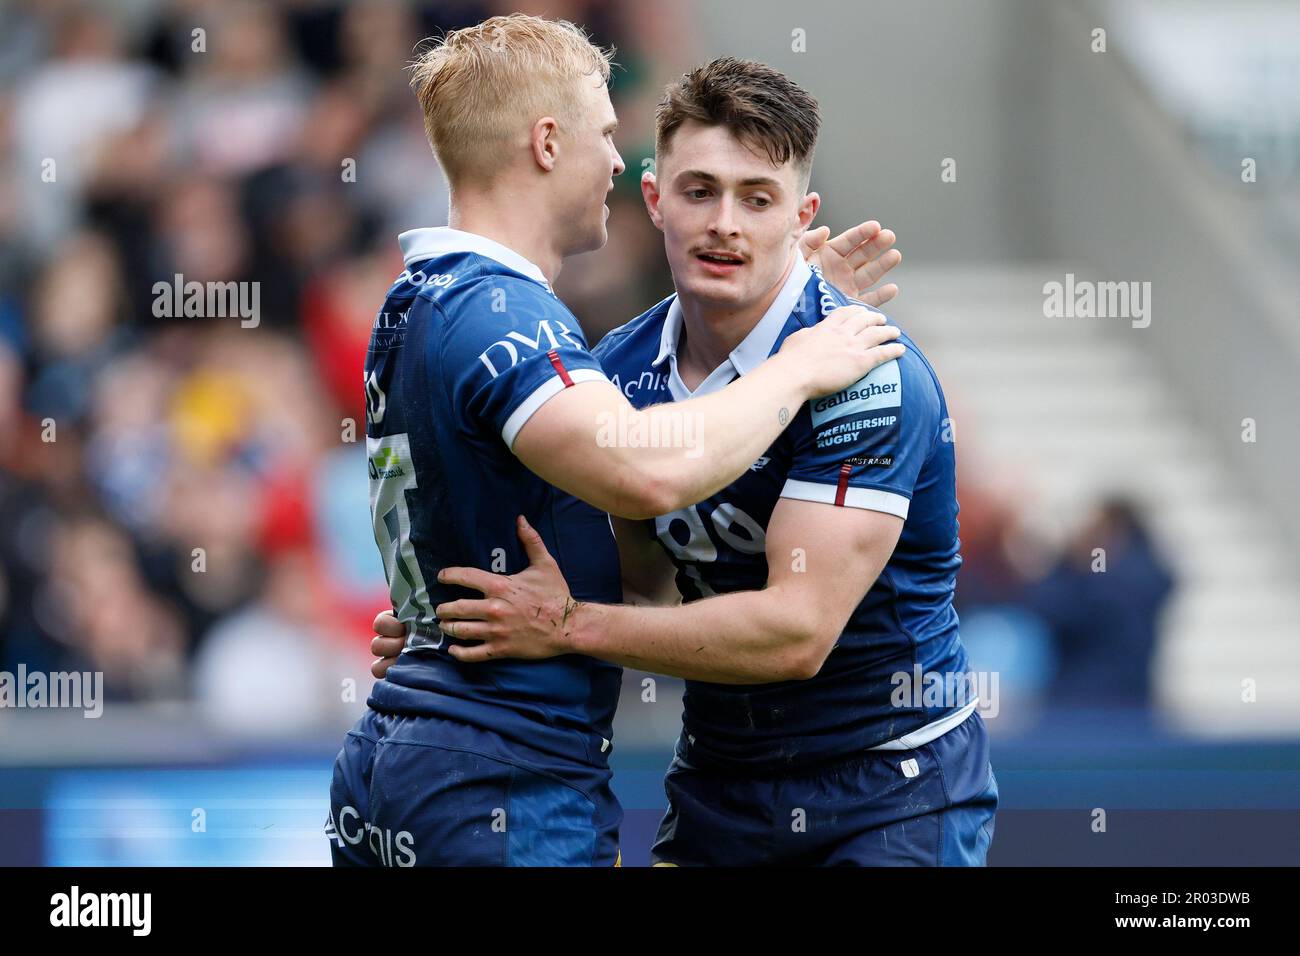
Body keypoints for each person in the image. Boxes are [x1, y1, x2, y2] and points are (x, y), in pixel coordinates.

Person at [373, 57, 998, 866]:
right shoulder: (615, 369)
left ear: (800, 213)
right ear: (653, 200)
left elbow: (795, 633)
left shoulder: (865, 373)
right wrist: (451, 628)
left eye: (757, 199)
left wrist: (569, 628)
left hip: (889, 788)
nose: (725, 225)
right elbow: (639, 579)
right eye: (700, 191)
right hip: (719, 779)